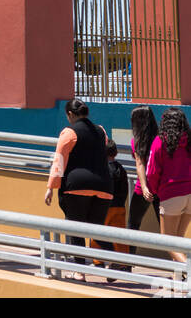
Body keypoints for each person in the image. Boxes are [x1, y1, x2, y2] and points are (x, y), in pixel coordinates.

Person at [45, 99, 112, 266]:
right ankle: (116, 258)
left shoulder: (69, 133)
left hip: (76, 186)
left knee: (76, 229)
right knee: (97, 229)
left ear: (70, 114)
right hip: (104, 186)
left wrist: (51, 187)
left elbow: (59, 161)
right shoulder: (101, 131)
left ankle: (79, 269)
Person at [145, 107, 191, 261]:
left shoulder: (160, 141)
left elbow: (151, 171)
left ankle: (188, 270)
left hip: (171, 194)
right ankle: (177, 283)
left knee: (168, 242)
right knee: (178, 239)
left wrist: (154, 190)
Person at [90, 139, 129, 270]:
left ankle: (98, 261)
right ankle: (123, 262)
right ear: (116, 153)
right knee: (119, 236)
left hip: (104, 207)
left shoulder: (102, 169)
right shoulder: (121, 169)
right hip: (119, 206)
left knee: (97, 232)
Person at [128, 105, 160, 232]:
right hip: (161, 187)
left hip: (143, 189)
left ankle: (129, 252)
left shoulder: (136, 141)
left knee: (133, 225)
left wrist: (144, 187)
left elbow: (140, 164)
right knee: (166, 228)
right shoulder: (160, 139)